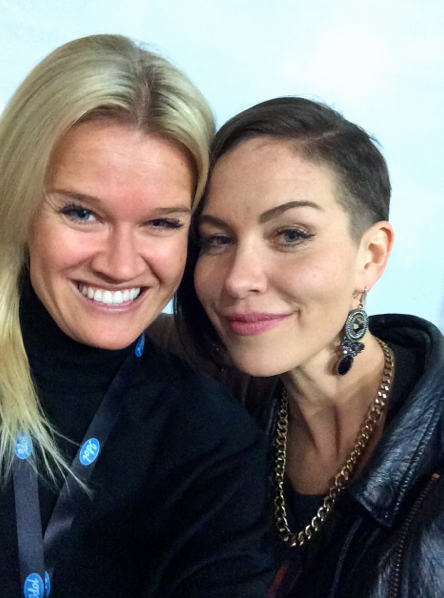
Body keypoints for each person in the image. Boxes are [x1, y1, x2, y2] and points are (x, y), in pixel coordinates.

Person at [0, 34, 275, 598]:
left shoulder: (215, 444)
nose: (120, 265)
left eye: (161, 223)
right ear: (18, 203)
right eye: (82, 213)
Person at [150, 97, 444, 597]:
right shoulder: (215, 406)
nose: (238, 279)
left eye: (290, 234)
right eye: (217, 239)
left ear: (370, 256)